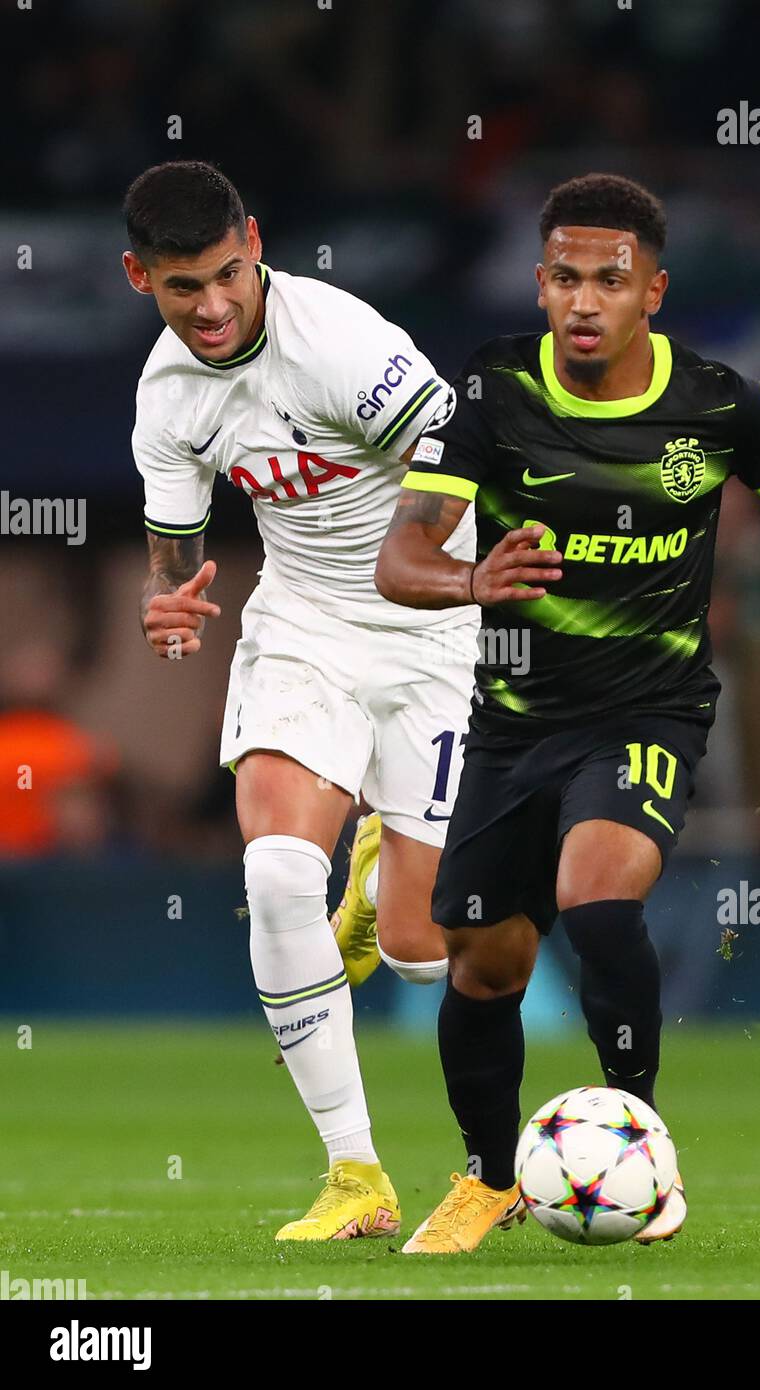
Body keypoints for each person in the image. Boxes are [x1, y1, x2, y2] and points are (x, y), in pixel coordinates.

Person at [374, 172, 760, 1254]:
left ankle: (643, 1155)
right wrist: (469, 582)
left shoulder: (714, 404)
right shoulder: (490, 394)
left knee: (599, 902)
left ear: (651, 292)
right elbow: (403, 556)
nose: (583, 301)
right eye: (565, 278)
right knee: (480, 956)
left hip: (647, 712)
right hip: (513, 722)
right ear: (538, 286)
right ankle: (485, 1180)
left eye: (608, 281)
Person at [124, 159, 478, 1241]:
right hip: (301, 629)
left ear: (256, 241)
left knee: (421, 953)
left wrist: (413, 562)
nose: (215, 305)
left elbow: (452, 437)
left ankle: (384, 869)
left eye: (229, 274)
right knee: (277, 872)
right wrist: (166, 597)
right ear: (141, 278)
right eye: (185, 288)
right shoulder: (167, 398)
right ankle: (355, 1176)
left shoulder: (336, 340)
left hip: (427, 626)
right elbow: (174, 542)